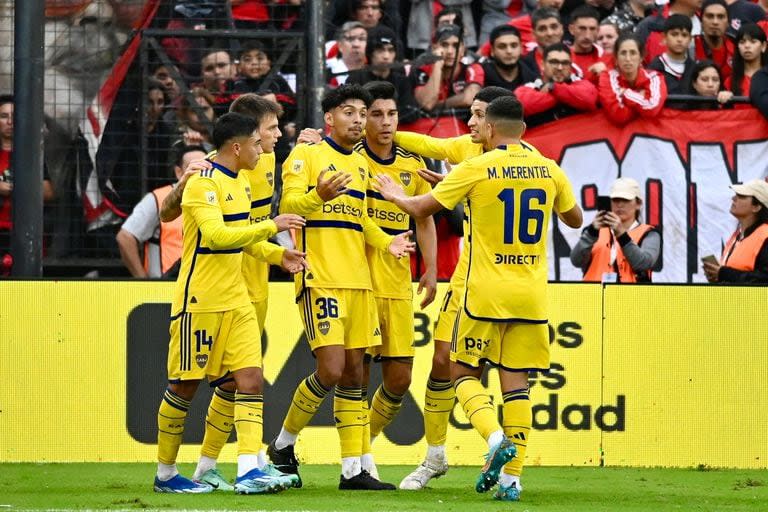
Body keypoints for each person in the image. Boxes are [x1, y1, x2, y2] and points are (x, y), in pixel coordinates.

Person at [375, 95, 583, 502]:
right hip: (531, 294)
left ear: (490, 128)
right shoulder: (548, 168)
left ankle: (494, 441)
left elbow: (420, 206)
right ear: (523, 128)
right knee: (517, 384)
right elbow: (574, 219)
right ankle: (512, 480)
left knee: (461, 371)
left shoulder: (477, 165)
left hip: (483, 291)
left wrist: (393, 194)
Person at [266, 84, 414, 491]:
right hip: (320, 278)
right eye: (349, 112)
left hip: (359, 283)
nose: (358, 120)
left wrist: (388, 241)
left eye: (362, 113)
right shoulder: (306, 154)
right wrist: (319, 194)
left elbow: (363, 219)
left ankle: (353, 471)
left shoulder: (363, 166)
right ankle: (282, 444)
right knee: (330, 369)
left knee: (354, 377)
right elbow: (289, 209)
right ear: (329, 118)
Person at [151, 112, 306, 494]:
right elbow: (218, 236)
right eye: (256, 142)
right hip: (199, 301)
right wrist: (274, 225)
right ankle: (166, 474)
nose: (260, 150)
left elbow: (241, 237)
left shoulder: (240, 184)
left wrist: (276, 255)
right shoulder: (203, 183)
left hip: (236, 300)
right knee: (184, 387)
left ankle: (248, 469)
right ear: (237, 146)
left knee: (250, 380)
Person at [354, 81, 438, 480]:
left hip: (398, 283)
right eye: (376, 114)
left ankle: (362, 445)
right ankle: (354, 460)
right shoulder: (351, 160)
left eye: (392, 114)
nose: (386, 122)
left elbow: (423, 216)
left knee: (400, 379)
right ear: (363, 118)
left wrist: (432, 269)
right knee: (353, 373)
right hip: (357, 281)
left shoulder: (411, 163)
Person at [116, 145, 206, 278]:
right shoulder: (158, 199)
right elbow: (125, 237)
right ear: (178, 172)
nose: (200, 173)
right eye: (194, 168)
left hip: (205, 286)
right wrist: (143, 283)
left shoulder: (218, 196)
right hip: (165, 286)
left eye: (204, 168)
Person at [570, 177, 662, 283]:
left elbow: (644, 264)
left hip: (631, 298)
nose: (620, 204)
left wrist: (622, 236)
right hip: (594, 297)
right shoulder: (594, 231)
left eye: (626, 200)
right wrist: (591, 232)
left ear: (638, 203)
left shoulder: (649, 234)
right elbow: (576, 261)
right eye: (615, 199)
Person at [0, 94, 54, 271]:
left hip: (24, 234)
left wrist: (18, 188)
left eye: (14, 116)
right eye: (4, 116)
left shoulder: (32, 154)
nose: (10, 122)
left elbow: (49, 192)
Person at [347, 25, 422, 124]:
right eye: (380, 50)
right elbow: (349, 113)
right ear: (370, 52)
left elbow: (412, 113)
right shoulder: (355, 80)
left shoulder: (402, 81)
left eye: (390, 50)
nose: (386, 56)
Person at [514, 42, 599, 127]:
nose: (560, 68)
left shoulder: (580, 83)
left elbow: (589, 100)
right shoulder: (528, 87)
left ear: (570, 67)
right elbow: (521, 107)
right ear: (542, 65)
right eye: (554, 62)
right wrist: (568, 96)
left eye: (565, 63)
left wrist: (553, 88)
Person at [703, 179, 768, 283]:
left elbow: (764, 279)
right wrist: (717, 276)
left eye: (741, 196)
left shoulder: (765, 236)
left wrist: (723, 274)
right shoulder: (736, 236)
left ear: (756, 207)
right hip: (734, 298)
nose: (733, 198)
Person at [411, 24, 484, 113]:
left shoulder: (473, 68)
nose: (450, 51)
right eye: (444, 45)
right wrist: (437, 64)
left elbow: (469, 98)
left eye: (455, 45)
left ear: (463, 50)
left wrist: (437, 105)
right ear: (434, 48)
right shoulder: (421, 71)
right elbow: (427, 104)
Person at [598, 34, 668, 126]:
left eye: (633, 53)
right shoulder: (607, 77)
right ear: (616, 58)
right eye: (623, 53)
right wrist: (639, 97)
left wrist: (626, 93)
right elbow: (619, 115)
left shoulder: (654, 77)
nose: (628, 59)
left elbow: (652, 109)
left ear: (641, 57)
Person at [648, 15, 696, 95]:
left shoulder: (696, 69)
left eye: (684, 35)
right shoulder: (654, 69)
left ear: (690, 39)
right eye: (674, 34)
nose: (679, 39)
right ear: (664, 37)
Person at [481, 25, 539, 92]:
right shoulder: (482, 74)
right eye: (502, 46)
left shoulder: (532, 72)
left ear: (521, 48)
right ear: (492, 51)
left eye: (514, 46)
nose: (509, 51)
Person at [694, 0, 734, 80]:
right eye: (710, 16)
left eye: (720, 17)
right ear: (701, 21)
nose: (715, 22)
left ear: (728, 22)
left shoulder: (736, 48)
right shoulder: (690, 46)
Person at [725, 23, 768, 97]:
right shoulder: (730, 81)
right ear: (737, 47)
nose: (747, 46)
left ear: (763, 46)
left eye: (753, 41)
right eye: (742, 42)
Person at [327, 21, 368, 88]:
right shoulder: (329, 73)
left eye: (361, 39)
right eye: (350, 39)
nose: (356, 44)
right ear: (340, 46)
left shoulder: (374, 70)